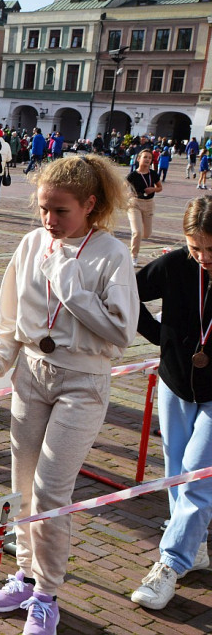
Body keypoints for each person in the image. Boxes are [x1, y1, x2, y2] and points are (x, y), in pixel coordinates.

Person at [0, 155, 139, 635]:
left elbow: (120, 332)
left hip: (82, 381)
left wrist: (73, 291)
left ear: (90, 204)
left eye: (61, 211)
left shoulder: (111, 253)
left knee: (51, 490)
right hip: (31, 375)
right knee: (22, 484)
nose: (50, 220)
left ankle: (47, 592)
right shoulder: (31, 244)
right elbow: (9, 321)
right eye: (44, 208)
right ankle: (25, 573)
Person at [129, 196, 212, 611]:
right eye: (196, 247)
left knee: (198, 475)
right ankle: (193, 546)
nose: (204, 257)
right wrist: (159, 337)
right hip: (176, 382)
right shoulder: (177, 264)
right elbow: (128, 290)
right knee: (177, 471)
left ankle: (170, 561)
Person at [126, 148, 163, 268]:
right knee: (137, 232)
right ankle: (134, 256)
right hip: (134, 204)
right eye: (145, 157)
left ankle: (135, 242)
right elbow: (122, 187)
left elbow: (160, 188)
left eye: (149, 158)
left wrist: (153, 189)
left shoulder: (153, 174)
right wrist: (127, 195)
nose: (147, 159)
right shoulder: (132, 175)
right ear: (138, 159)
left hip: (149, 204)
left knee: (146, 234)